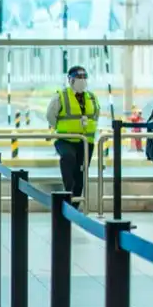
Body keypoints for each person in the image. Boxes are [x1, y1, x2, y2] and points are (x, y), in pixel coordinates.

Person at [46, 65, 100, 207]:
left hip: (86, 141)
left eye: (84, 77)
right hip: (65, 139)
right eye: (78, 77)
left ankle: (74, 206)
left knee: (80, 174)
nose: (81, 80)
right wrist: (58, 127)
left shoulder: (92, 98)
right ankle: (67, 191)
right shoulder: (61, 96)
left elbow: (96, 115)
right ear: (70, 79)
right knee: (68, 158)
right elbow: (50, 115)